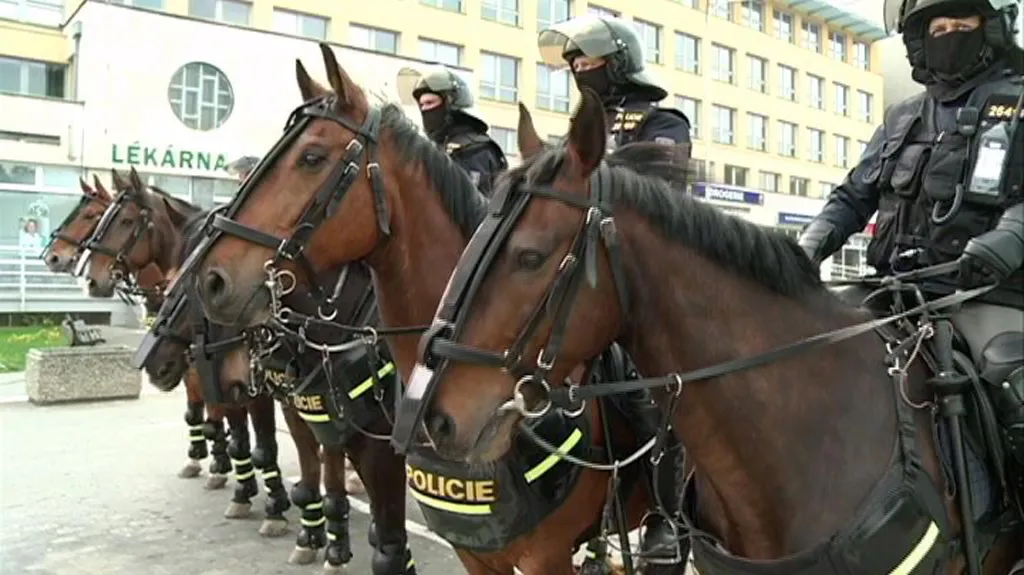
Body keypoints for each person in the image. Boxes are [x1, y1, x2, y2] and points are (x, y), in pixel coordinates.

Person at [798, 0, 1024, 471]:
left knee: (1013, 388)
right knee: (794, 348)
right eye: (938, 27)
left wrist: (1011, 237)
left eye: (962, 24)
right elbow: (853, 197)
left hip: (985, 295)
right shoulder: (903, 116)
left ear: (994, 27)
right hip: (891, 290)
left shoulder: (1020, 101)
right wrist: (811, 244)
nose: (949, 34)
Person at [538, 14, 693, 567]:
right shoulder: (575, 129)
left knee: (655, 387)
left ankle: (665, 514)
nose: (579, 70)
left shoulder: (662, 120)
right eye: (573, 63)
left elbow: (664, 186)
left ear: (619, 60)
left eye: (588, 60)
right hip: (590, 275)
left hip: (650, 282)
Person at [538, 14, 691, 153]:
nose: (580, 74)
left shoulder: (663, 124)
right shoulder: (579, 131)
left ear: (616, 66)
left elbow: (660, 180)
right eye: (576, 67)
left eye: (586, 65)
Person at [396, 65, 507, 196]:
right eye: (422, 105)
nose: (424, 109)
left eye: (430, 102)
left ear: (449, 103)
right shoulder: (429, 149)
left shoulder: (479, 149)